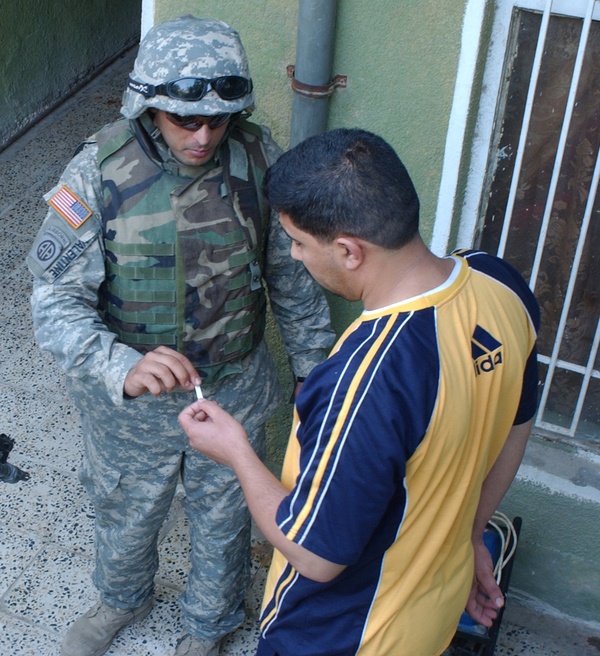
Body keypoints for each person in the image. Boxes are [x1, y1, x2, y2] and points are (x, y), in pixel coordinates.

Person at [27, 15, 334, 656]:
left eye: (217, 121)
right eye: (184, 121)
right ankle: (122, 597)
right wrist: (118, 365)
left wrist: (317, 375)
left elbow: (292, 276)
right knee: (126, 506)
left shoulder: (256, 158)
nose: (202, 136)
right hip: (132, 401)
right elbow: (54, 300)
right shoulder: (95, 174)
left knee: (225, 511)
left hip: (235, 382)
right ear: (148, 108)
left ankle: (210, 624)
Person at [179, 128, 540, 656]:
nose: (297, 257)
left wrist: (235, 451)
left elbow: (315, 554)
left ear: (349, 251)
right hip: (431, 615)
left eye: (299, 243)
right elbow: (517, 424)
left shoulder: (366, 379)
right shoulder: (497, 281)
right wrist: (471, 533)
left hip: (347, 636)